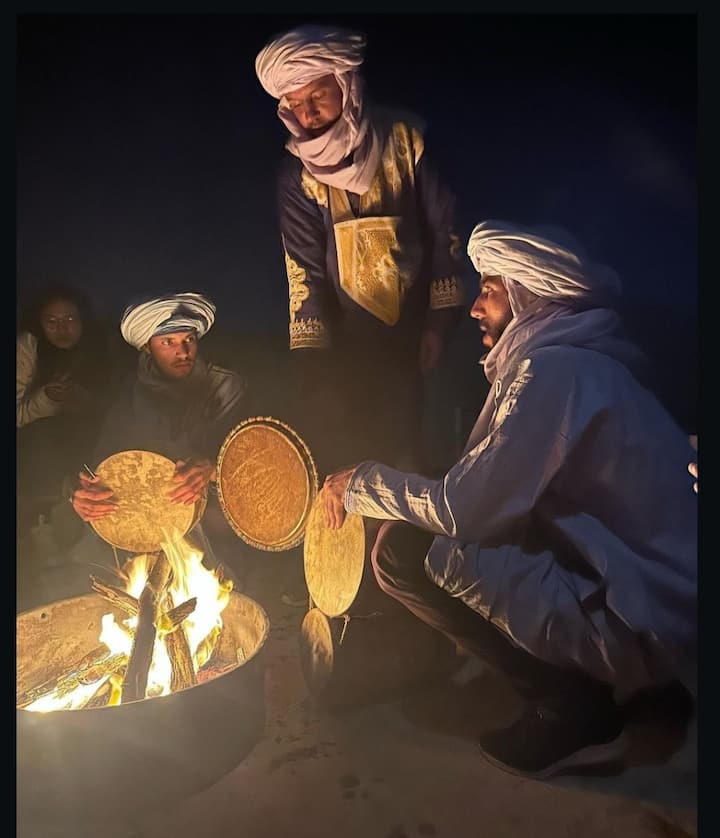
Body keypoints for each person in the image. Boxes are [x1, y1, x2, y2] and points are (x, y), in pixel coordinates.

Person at [319, 220, 697, 779]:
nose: (475, 308)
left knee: (402, 550)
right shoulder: (582, 363)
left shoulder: (552, 371)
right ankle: (625, 684)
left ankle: (573, 709)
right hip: (660, 603)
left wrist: (359, 483)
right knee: (442, 520)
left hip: (644, 619)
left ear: (527, 297)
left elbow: (463, 509)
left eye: (489, 291)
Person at [255, 24, 466, 477]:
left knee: (431, 456)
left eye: (317, 96)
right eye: (296, 104)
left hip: (423, 333)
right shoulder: (295, 176)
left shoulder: (408, 140)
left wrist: (439, 324)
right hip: (351, 348)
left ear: (345, 83)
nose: (309, 113)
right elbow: (304, 273)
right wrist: (316, 367)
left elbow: (446, 233)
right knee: (357, 457)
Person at [69, 291, 251, 577]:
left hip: (213, 506)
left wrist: (213, 469)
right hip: (147, 512)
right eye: (168, 342)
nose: (183, 352)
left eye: (189, 340)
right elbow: (101, 464)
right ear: (147, 347)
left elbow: (255, 462)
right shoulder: (128, 393)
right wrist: (84, 495)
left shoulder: (224, 387)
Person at [17, 283, 112, 535]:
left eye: (70, 319)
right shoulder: (28, 348)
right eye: (51, 321)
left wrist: (83, 400)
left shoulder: (98, 348)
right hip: (34, 449)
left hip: (88, 443)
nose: (61, 329)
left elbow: (113, 409)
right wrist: (47, 398)